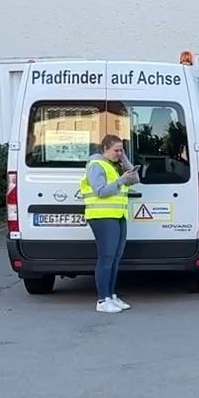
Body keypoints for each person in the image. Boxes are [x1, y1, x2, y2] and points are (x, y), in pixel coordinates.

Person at [79, 133, 138, 314]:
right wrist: (121, 181)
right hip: (102, 216)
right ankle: (102, 299)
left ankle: (111, 296)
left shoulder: (114, 164)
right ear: (104, 149)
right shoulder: (96, 166)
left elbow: (136, 180)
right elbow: (101, 191)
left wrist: (125, 159)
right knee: (106, 258)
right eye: (116, 150)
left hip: (117, 215)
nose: (119, 153)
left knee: (115, 257)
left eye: (121, 150)